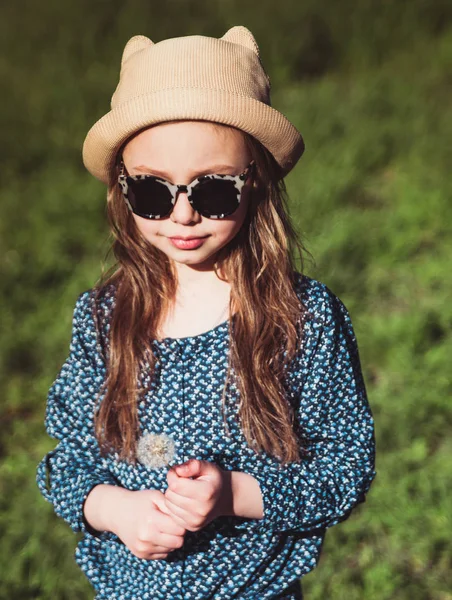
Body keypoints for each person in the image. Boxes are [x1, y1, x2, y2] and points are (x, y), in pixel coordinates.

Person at [36, 26, 376, 600]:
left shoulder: (304, 318)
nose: (184, 215)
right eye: (152, 192)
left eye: (214, 190)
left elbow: (345, 468)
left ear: (256, 182)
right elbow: (66, 459)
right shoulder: (104, 318)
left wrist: (236, 494)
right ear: (122, 190)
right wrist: (113, 508)